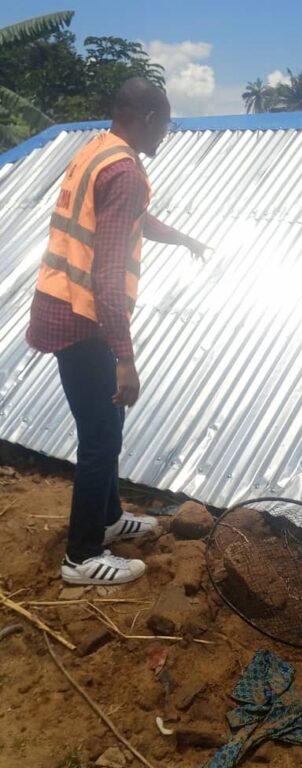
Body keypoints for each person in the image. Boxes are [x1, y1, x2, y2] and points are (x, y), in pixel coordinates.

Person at [27, 78, 208, 586]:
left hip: (62, 302)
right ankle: (81, 557)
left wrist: (182, 238)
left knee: (107, 424)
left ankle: (107, 517)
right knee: (101, 438)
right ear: (148, 118)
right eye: (166, 124)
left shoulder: (98, 150)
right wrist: (125, 358)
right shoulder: (125, 171)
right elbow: (107, 274)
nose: (166, 134)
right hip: (82, 316)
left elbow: (130, 221)